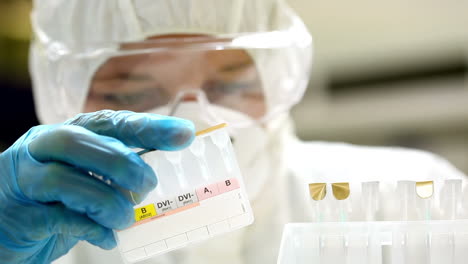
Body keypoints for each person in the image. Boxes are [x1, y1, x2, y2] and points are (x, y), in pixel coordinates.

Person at [0, 0, 465, 263]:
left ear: (279, 74)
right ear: (61, 94)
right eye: (133, 94)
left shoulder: (401, 201)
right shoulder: (32, 241)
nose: (194, 123)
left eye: (231, 84)